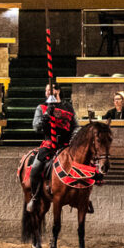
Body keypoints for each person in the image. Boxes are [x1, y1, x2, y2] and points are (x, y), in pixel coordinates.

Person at [27, 82, 80, 214]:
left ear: (57, 91)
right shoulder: (42, 107)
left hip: (66, 146)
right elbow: (35, 127)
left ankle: (83, 198)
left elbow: (76, 127)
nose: (46, 92)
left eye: (49, 90)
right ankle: (35, 197)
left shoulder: (68, 107)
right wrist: (45, 118)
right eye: (46, 90)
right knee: (35, 168)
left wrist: (73, 140)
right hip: (49, 145)